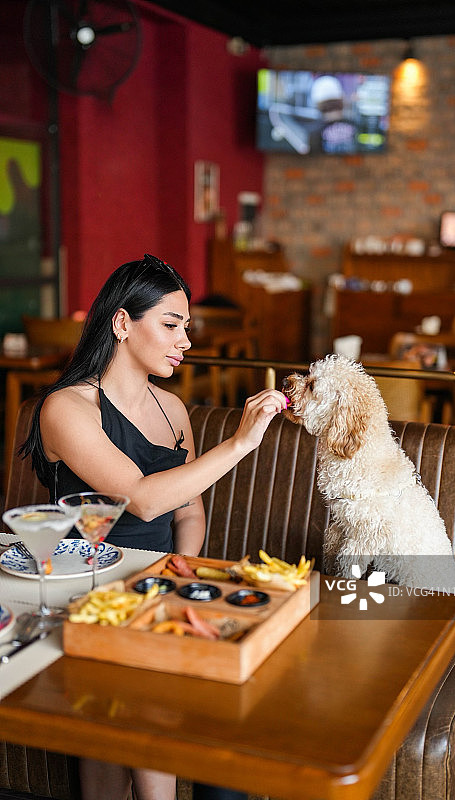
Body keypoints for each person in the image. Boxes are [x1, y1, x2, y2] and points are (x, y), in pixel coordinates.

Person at [22, 253, 287, 800]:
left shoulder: (172, 409)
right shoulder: (67, 408)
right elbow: (142, 501)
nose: (185, 340)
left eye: (186, 326)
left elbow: (187, 510)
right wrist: (239, 443)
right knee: (134, 699)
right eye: (171, 324)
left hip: (156, 583)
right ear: (122, 323)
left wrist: (176, 570)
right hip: (88, 588)